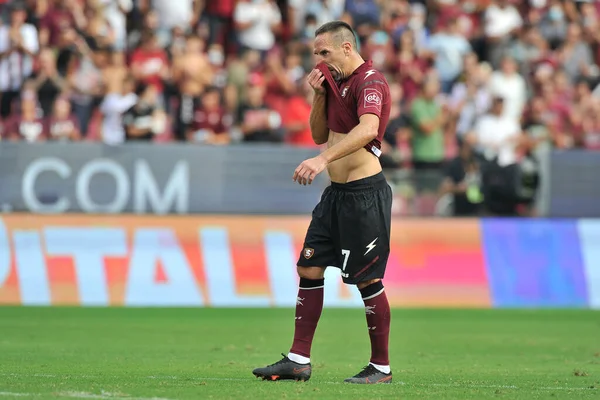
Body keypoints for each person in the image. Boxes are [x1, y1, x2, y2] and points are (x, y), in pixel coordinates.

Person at [252, 21, 393, 385]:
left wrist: (322, 160)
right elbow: (319, 134)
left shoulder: (370, 80)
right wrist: (318, 96)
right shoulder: (334, 83)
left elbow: (367, 130)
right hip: (336, 197)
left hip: (364, 195)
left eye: (324, 52)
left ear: (347, 48)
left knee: (367, 280)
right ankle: (298, 360)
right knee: (309, 269)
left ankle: (381, 367)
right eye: (315, 53)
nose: (318, 60)